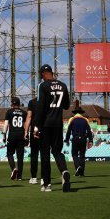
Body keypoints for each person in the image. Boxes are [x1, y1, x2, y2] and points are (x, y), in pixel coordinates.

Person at [32, 64, 71, 192]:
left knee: (45, 154)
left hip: (45, 124)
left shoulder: (43, 86)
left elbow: (41, 107)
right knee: (57, 152)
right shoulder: (63, 85)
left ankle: (47, 184)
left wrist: (36, 126)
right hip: (58, 124)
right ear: (52, 72)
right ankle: (64, 171)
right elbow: (66, 106)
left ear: (43, 74)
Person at [64, 99, 93, 178]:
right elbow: (89, 131)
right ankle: (82, 174)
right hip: (84, 138)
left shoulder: (72, 119)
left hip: (75, 138)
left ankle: (77, 167)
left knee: (74, 154)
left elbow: (68, 131)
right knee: (82, 156)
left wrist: (66, 140)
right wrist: (91, 140)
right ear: (81, 113)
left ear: (75, 112)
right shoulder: (85, 119)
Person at [3, 97, 27, 181]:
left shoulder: (9, 112)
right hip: (21, 135)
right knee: (20, 157)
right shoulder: (24, 113)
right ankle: (19, 177)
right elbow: (27, 125)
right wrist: (26, 135)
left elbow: (6, 125)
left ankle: (13, 168)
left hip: (12, 135)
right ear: (19, 104)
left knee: (10, 153)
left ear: (12, 104)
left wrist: (4, 135)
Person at [24, 97, 40, 185]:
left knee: (34, 154)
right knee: (45, 154)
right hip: (45, 128)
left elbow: (29, 116)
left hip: (34, 129)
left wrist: (26, 131)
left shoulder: (32, 102)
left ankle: (34, 177)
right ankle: (45, 178)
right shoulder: (48, 101)